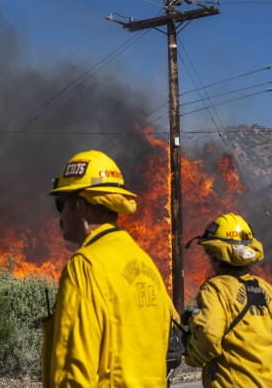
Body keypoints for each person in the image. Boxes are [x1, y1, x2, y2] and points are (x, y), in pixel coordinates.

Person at [41, 150, 176, 387]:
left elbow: (76, 370)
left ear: (80, 206)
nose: (60, 214)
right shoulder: (146, 264)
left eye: (60, 203)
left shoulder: (86, 266)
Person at [183, 213, 272, 387]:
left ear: (215, 254)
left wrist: (191, 353)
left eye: (208, 252)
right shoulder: (262, 288)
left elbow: (209, 338)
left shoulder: (215, 289)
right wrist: (259, 339)